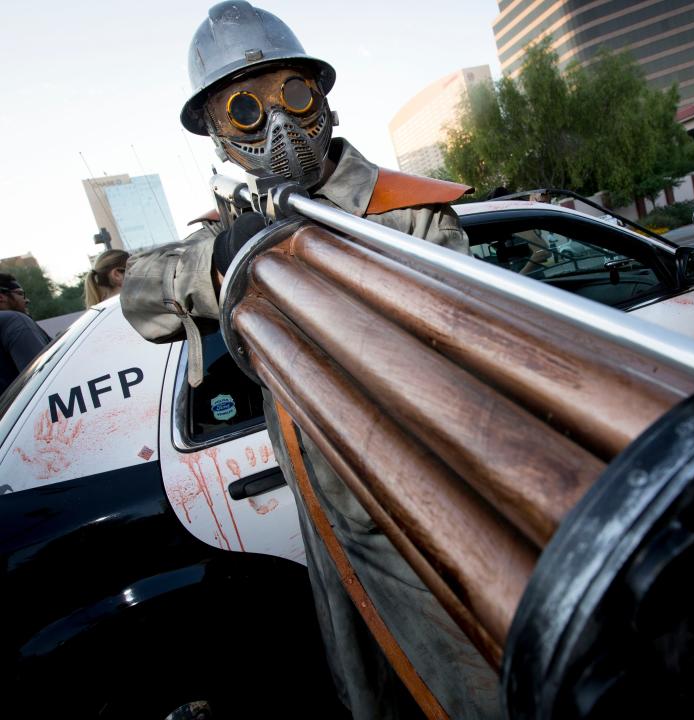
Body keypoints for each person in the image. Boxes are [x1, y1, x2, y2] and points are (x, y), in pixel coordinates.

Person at [119, 3, 497, 718]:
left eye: (293, 94)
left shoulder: (406, 212)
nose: (281, 125)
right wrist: (223, 259)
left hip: (429, 510)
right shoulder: (226, 236)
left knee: (474, 688)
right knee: (369, 695)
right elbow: (139, 294)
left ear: (322, 97)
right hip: (327, 520)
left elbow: (463, 352)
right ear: (217, 135)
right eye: (246, 109)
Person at [0, 273, 51, 395]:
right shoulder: (13, 320)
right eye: (19, 293)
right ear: (1, 297)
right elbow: (43, 378)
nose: (26, 300)